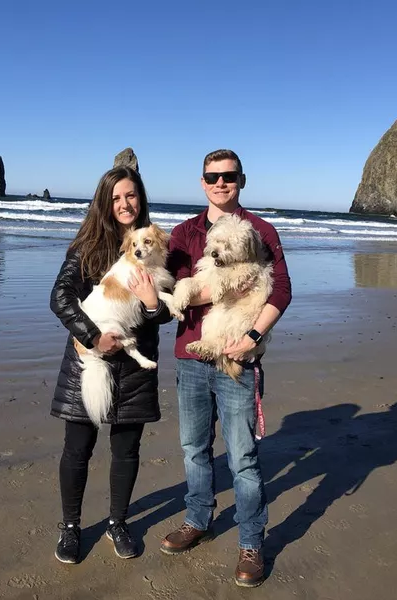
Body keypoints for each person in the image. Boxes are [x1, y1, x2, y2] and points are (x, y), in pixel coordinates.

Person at [161, 149, 292, 587]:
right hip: (191, 356)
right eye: (213, 176)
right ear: (202, 182)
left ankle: (251, 542)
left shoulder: (261, 231)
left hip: (240, 355)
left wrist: (252, 338)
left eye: (229, 176)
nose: (221, 183)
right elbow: (175, 292)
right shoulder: (183, 233)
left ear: (241, 180)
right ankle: (198, 519)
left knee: (243, 459)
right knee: (194, 449)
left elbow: (282, 292)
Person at [49, 166, 173, 564]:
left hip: (137, 364)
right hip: (88, 357)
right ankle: (71, 527)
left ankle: (118, 522)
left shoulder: (151, 245)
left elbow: (165, 314)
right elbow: (61, 297)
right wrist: (91, 336)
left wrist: (153, 303)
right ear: (105, 201)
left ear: (141, 198)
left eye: (131, 196)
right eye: (116, 197)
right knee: (77, 448)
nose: (124, 204)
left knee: (127, 449)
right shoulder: (85, 246)